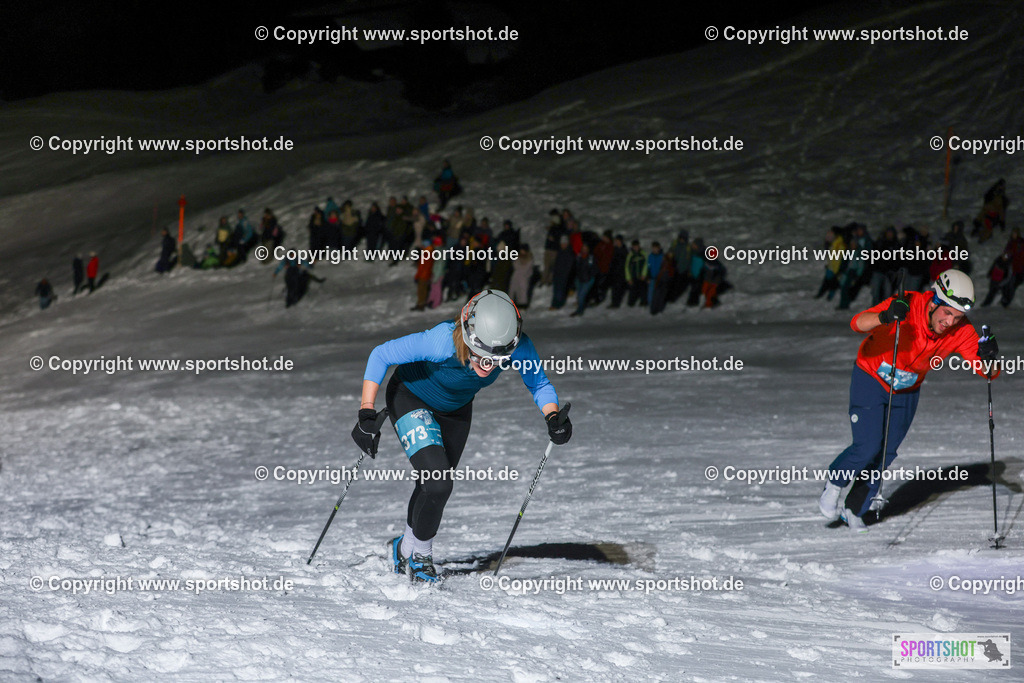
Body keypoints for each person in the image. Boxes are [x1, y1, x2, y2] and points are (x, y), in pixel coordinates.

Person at [352, 289, 572, 582]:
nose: (488, 364)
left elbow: (539, 383)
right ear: (468, 334)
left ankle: (403, 548)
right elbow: (381, 355)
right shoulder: (441, 340)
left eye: (497, 358)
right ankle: (422, 558)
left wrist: (553, 417)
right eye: (481, 355)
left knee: (431, 485)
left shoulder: (516, 345)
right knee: (439, 483)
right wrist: (367, 412)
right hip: (411, 396)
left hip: (456, 410)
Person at [818, 269, 1001, 530]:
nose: (950, 322)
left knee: (886, 452)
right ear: (934, 301)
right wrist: (884, 316)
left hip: (907, 388)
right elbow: (857, 323)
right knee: (868, 445)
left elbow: (989, 373)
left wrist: (991, 355)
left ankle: (853, 508)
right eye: (947, 313)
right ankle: (835, 482)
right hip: (871, 375)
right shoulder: (907, 304)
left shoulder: (962, 331)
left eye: (958, 316)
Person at [571, 243, 596, 317]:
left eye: (586, 248)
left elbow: (594, 269)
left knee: (581, 296)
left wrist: (590, 276)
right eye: (583, 248)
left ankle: (579, 311)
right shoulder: (578, 257)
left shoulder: (591, 258)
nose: (584, 250)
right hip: (579, 279)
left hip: (588, 280)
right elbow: (575, 268)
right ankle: (582, 306)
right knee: (579, 295)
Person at [624, 240, 648, 307]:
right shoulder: (630, 255)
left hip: (641, 276)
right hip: (633, 276)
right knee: (633, 291)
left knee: (643, 290)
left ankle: (643, 302)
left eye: (637, 246)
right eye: (634, 246)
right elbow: (626, 267)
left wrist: (644, 274)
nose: (636, 248)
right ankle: (630, 304)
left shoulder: (643, 254)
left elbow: (646, 265)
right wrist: (628, 278)